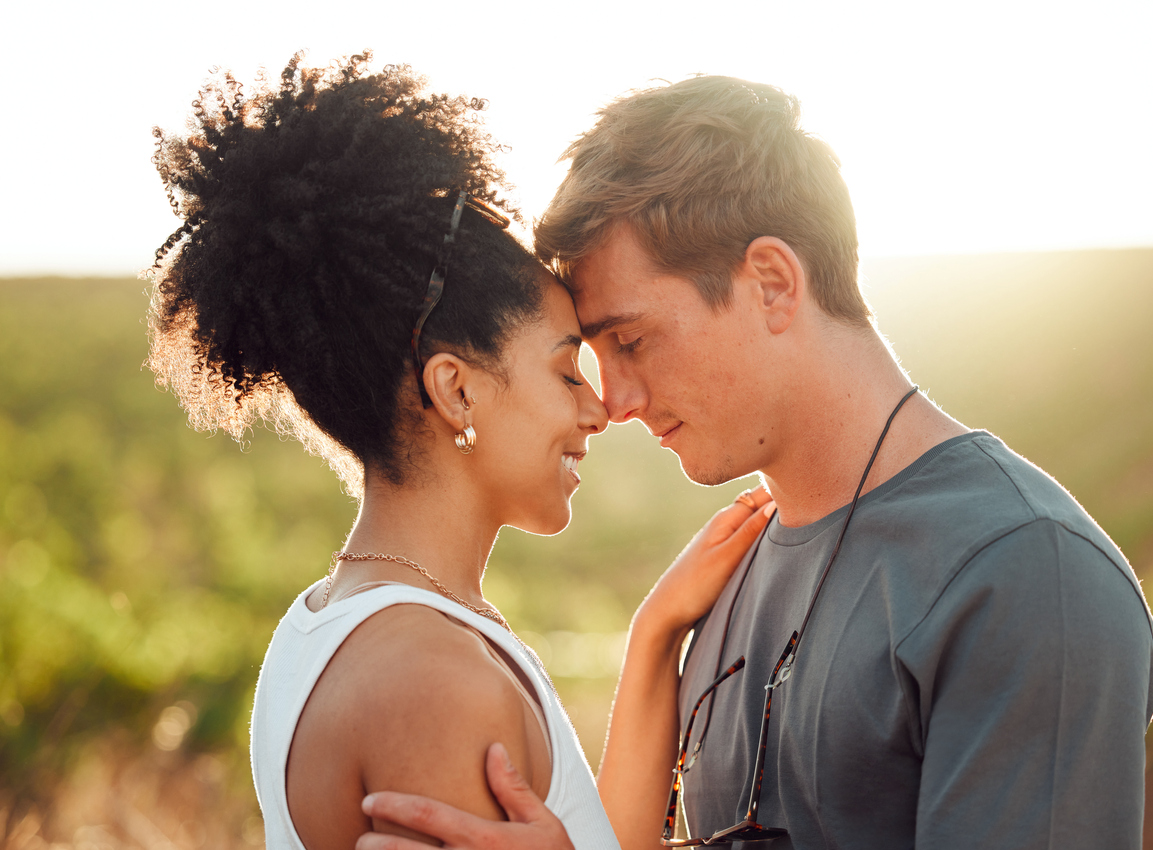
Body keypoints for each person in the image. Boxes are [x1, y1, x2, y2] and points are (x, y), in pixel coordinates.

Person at [365, 76, 1153, 849]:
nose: (614, 403)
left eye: (632, 341)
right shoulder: (730, 570)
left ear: (773, 284)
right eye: (595, 356)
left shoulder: (1025, 574)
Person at [145, 55, 776, 850]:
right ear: (456, 390)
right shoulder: (434, 683)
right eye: (562, 369)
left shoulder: (328, 620)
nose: (598, 407)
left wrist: (652, 641)